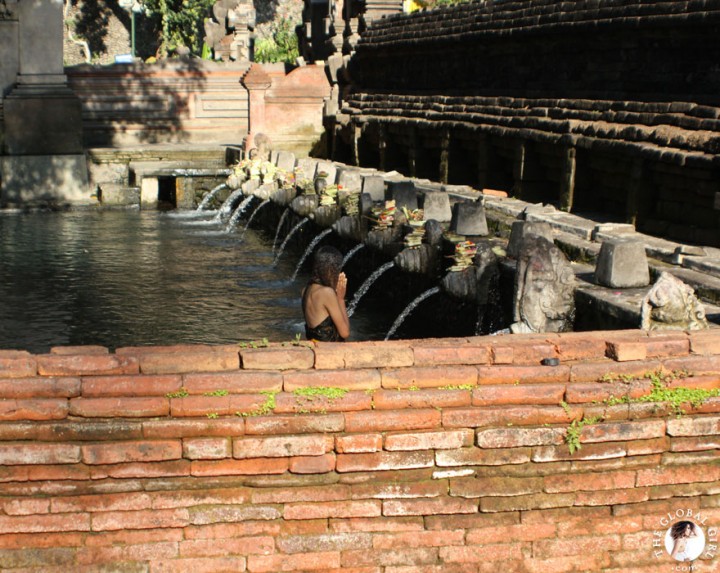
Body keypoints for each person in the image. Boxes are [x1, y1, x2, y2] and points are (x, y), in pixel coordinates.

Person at [302, 246, 350, 342]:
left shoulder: (305, 290)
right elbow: (345, 333)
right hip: (329, 351)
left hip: (315, 346)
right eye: (337, 270)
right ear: (330, 270)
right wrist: (340, 299)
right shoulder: (327, 293)